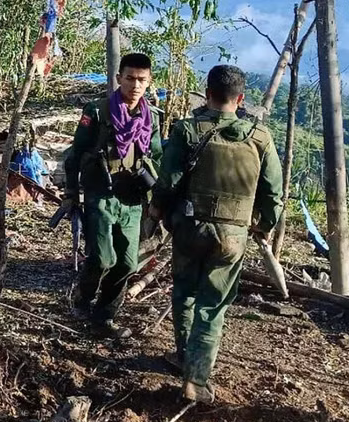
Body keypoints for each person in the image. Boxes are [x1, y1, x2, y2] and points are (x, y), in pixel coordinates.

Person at [150, 64, 283, 403]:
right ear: (241, 99)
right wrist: (264, 226)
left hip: (189, 227)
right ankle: (196, 380)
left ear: (207, 94)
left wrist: (157, 211)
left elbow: (168, 181)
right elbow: (273, 194)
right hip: (232, 235)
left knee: (185, 293)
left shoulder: (186, 130)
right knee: (212, 306)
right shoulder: (261, 138)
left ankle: (184, 356)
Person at [63, 53, 162, 339]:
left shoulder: (151, 118)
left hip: (132, 198)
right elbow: (76, 154)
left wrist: (159, 195)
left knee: (128, 264)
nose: (135, 85)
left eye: (142, 80)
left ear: (149, 81)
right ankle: (83, 298)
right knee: (103, 259)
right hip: (101, 194)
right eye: (129, 78)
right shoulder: (97, 111)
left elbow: (157, 156)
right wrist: (71, 193)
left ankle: (105, 316)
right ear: (119, 78)